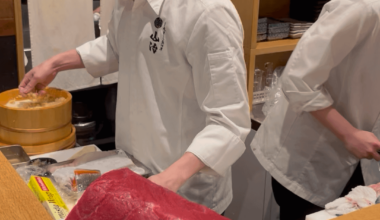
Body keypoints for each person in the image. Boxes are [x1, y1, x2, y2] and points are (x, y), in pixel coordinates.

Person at [19, 0, 250, 215]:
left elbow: (229, 122)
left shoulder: (209, 11)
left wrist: (167, 180)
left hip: (185, 191)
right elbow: (117, 45)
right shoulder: (127, 3)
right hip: (133, 172)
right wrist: (55, 63)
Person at [250, 0, 380, 219]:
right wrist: (349, 134)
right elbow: (299, 79)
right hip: (311, 156)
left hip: (364, 159)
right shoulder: (362, 7)